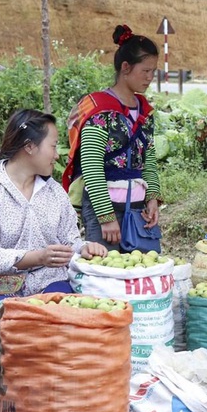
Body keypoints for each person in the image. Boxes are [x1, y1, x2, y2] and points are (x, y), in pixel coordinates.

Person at [0, 109, 108, 300]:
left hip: (51, 283)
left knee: (62, 310)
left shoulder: (55, 192)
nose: (57, 155)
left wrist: (83, 249)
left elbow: (69, 242)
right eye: (53, 146)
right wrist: (38, 257)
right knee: (12, 321)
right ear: (30, 146)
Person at [63, 24, 162, 251]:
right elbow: (91, 166)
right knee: (105, 275)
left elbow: (149, 159)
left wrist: (153, 199)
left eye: (153, 71)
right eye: (145, 71)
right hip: (103, 210)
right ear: (126, 68)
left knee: (142, 272)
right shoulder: (99, 109)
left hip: (138, 209)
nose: (150, 77)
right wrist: (107, 217)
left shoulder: (145, 111)